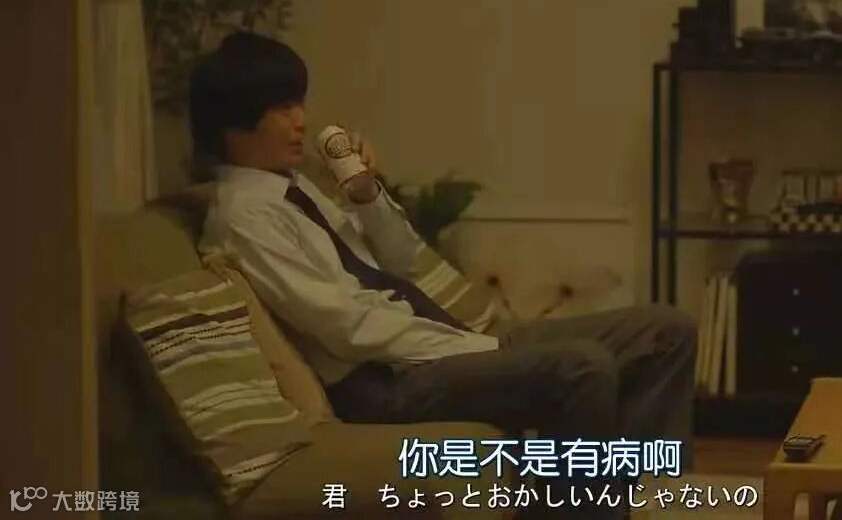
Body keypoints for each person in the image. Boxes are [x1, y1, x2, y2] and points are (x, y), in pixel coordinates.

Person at [193, 31, 696, 517]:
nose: (301, 121)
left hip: (433, 343)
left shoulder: (296, 189)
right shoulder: (245, 216)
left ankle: (613, 497)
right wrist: (476, 347)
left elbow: (402, 259)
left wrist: (366, 194)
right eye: (283, 108)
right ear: (235, 121)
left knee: (665, 332)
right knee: (581, 368)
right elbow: (345, 327)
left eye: (299, 104)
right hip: (385, 380)